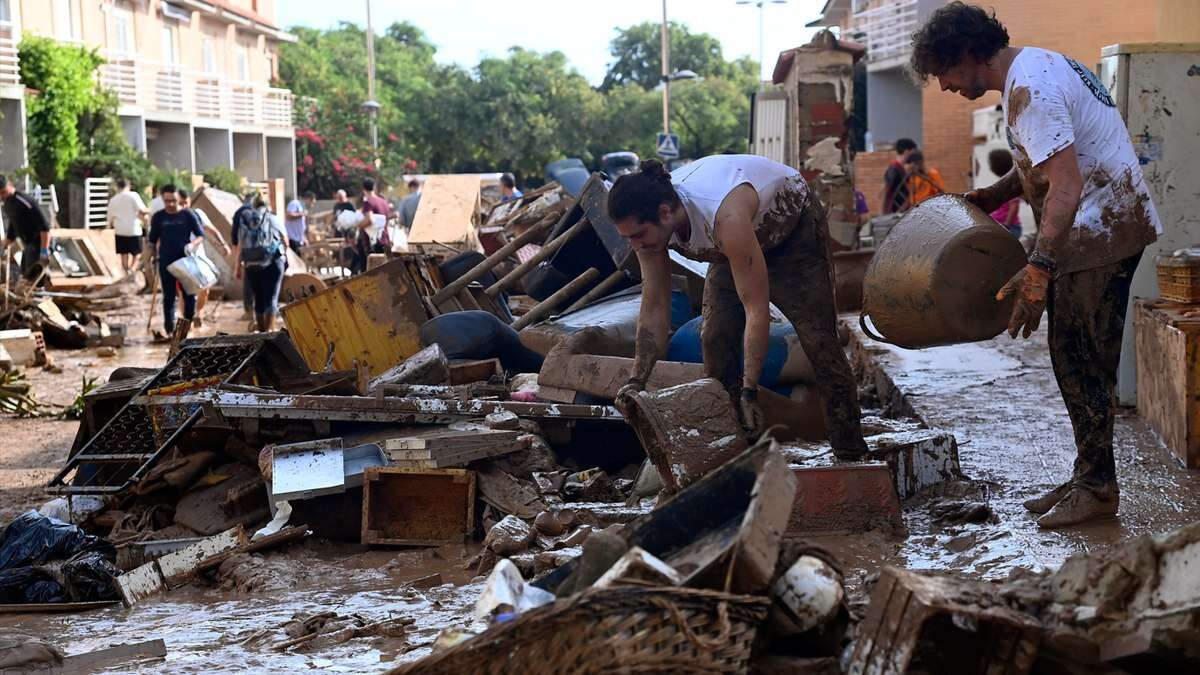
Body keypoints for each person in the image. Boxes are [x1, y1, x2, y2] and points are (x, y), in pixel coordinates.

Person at [911, 2, 1162, 527]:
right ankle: (1088, 475)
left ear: (968, 55)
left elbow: (1066, 184)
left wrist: (1038, 269)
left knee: (1081, 360)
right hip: (1101, 223)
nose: (945, 88)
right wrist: (992, 193)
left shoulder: (1032, 91)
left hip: (1101, 231)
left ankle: (1097, 487)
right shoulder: (1039, 67)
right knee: (1071, 353)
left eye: (944, 72)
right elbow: (1046, 167)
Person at [607, 157, 869, 459]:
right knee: (714, 336)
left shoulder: (723, 216)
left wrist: (750, 389)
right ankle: (732, 447)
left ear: (665, 213)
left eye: (638, 236)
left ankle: (849, 449)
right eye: (628, 239)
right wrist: (636, 380)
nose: (635, 246)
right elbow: (654, 308)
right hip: (731, 248)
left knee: (819, 342)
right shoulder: (648, 231)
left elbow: (755, 310)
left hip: (792, 235)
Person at [147, 185, 204, 335]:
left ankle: (187, 327)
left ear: (179, 199)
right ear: (163, 200)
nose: (170, 204)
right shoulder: (159, 217)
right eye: (167, 201)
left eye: (173, 200)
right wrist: (149, 261)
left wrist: (192, 244)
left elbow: (200, 235)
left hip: (185, 261)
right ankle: (170, 330)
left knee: (189, 295)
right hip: (166, 262)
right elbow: (152, 241)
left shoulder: (188, 215)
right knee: (169, 297)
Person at [232, 196, 287, 332]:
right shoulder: (273, 218)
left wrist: (237, 266)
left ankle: (262, 334)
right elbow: (286, 241)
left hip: (251, 265)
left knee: (259, 299)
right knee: (271, 298)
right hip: (273, 263)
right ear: (267, 206)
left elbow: (240, 245)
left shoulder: (246, 220)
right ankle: (270, 332)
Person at [1, 175, 51, 282]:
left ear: (9, 185)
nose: (2, 195)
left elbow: (45, 228)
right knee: (24, 275)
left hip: (38, 243)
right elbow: (13, 224)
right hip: (27, 244)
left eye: (3, 191)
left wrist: (44, 251)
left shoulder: (24, 201)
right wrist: (6, 246)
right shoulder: (7, 203)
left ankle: (40, 296)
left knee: (35, 278)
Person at [179, 190, 214, 326]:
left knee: (205, 288)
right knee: (183, 292)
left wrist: (222, 244)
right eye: (181, 203)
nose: (184, 206)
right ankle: (186, 321)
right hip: (182, 260)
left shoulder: (197, 214)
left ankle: (198, 314)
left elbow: (210, 229)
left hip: (199, 258)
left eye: (186, 202)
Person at [106, 178, 148, 276]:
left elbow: (109, 216)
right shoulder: (133, 195)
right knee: (137, 252)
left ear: (117, 187)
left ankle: (126, 271)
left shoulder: (113, 199)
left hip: (120, 229)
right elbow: (142, 209)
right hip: (133, 229)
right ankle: (132, 269)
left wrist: (108, 226)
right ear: (128, 186)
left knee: (123, 253)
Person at [354, 177, 392, 273]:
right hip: (385, 239)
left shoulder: (368, 202)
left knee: (371, 273)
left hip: (373, 243)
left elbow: (369, 220)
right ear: (374, 187)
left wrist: (358, 225)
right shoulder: (383, 202)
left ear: (363, 189)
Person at [986, 148, 1023, 239]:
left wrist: (1007, 225)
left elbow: (1014, 206)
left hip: (1011, 228)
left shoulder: (1009, 185)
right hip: (1001, 226)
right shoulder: (1004, 184)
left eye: (990, 163)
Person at [881, 138, 917, 213]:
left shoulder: (902, 169)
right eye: (912, 153)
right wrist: (884, 213)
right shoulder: (894, 169)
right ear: (906, 152)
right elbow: (886, 191)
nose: (914, 157)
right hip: (895, 213)